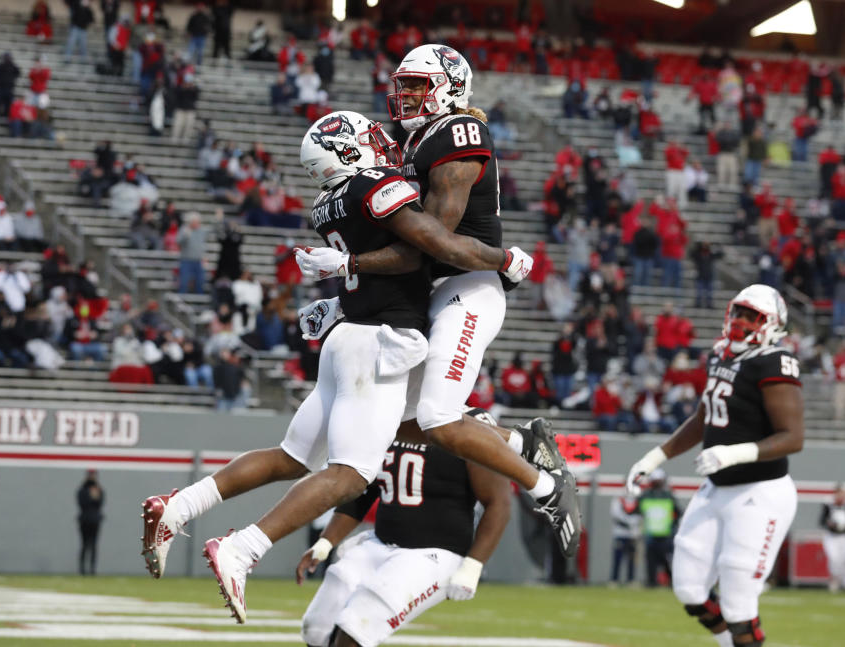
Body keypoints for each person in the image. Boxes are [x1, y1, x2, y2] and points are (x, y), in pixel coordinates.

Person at [142, 111, 574, 624]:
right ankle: (243, 549)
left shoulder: (327, 203)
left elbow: (375, 259)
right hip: (377, 343)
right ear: (349, 151)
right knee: (351, 472)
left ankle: (178, 507)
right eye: (368, 139)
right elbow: (426, 247)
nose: (382, 144)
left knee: (291, 456)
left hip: (347, 336)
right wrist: (502, 260)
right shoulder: (374, 183)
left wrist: (343, 283)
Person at [302, 50, 584, 551]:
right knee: (408, 425)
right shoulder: (412, 137)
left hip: (465, 287)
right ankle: (525, 442)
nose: (404, 95)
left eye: (415, 85)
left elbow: (431, 239)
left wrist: (351, 268)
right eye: (402, 85)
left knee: (436, 416)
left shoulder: (458, 133)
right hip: (431, 288)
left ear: (451, 86)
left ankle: (546, 485)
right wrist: (348, 303)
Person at [625, 284, 804, 647]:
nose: (740, 321)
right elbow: (705, 416)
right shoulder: (721, 354)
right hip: (716, 487)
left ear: (772, 324)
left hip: (760, 491)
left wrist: (732, 453)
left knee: (739, 602)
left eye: (751, 316)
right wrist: (656, 456)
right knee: (689, 587)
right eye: (738, 312)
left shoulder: (774, 361)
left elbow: (792, 437)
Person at [297, 408, 511, 647]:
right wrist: (326, 542)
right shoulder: (391, 412)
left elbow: (499, 502)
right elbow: (365, 490)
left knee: (356, 628)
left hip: (433, 554)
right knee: (317, 628)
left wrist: (473, 566)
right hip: (379, 544)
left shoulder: (472, 421)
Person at [639, 469, 680, 587]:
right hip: (650, 533)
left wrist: (673, 527)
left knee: (667, 562)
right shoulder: (645, 495)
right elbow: (639, 512)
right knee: (650, 561)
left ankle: (672, 582)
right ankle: (651, 582)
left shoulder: (668, 496)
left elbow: (677, 513)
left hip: (666, 534)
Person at [609, 494, 641, 585]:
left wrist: (633, 523)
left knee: (632, 559)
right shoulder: (619, 499)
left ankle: (631, 580)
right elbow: (616, 515)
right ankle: (614, 579)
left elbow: (640, 514)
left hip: (633, 535)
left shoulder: (637, 500)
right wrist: (629, 522)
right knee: (617, 558)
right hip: (620, 534)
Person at [77, 469, 104, 575]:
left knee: (93, 545)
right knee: (84, 545)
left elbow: (100, 503)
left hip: (95, 520)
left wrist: (95, 496)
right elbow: (81, 503)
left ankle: (92, 570)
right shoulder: (82, 490)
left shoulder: (98, 490)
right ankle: (82, 570)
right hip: (85, 520)